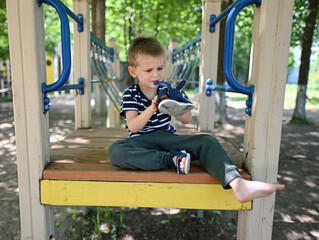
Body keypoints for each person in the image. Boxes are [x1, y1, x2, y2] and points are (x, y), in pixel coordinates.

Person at [108, 36, 284, 203]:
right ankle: (171, 160)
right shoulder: (131, 93)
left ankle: (238, 184)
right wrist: (153, 107)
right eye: (148, 70)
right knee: (115, 151)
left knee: (207, 140)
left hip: (167, 138)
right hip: (141, 142)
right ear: (133, 71)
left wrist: (176, 102)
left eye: (160, 69)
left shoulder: (170, 90)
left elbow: (187, 119)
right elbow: (133, 127)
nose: (156, 75)